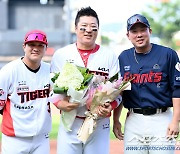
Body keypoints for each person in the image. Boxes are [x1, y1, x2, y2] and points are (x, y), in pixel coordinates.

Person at [50, 6, 121, 154]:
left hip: (99, 123)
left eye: (93, 27)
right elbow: (52, 88)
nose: (88, 30)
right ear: (75, 28)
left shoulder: (109, 55)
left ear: (98, 30)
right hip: (70, 121)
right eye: (83, 27)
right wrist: (60, 103)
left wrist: (111, 105)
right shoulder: (61, 55)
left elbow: (118, 91)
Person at [113, 14, 180, 154]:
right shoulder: (123, 57)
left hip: (161, 119)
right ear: (128, 35)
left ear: (150, 31)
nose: (139, 35)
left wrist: (175, 120)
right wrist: (116, 119)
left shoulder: (168, 54)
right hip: (133, 120)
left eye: (142, 30)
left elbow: (177, 89)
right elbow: (120, 90)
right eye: (134, 31)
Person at [0, 30, 52, 154]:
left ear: (46, 48)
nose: (36, 48)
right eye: (31, 45)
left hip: (41, 139)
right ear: (24, 46)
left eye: (40, 45)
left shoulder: (50, 71)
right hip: (15, 139)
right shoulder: (9, 71)